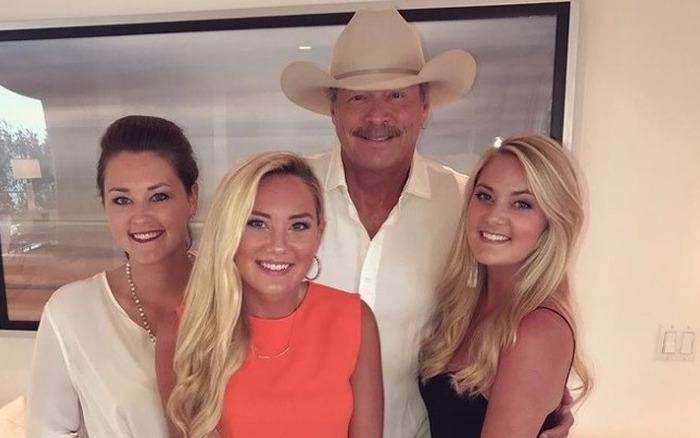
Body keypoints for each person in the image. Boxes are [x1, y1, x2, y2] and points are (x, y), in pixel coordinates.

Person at [280, 7, 574, 438]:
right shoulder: (283, 203)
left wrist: (540, 401)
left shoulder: (467, 206)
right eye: (358, 96)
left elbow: (517, 325)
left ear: (424, 105)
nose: (377, 115)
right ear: (333, 108)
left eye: (396, 95)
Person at [156, 151, 383, 438]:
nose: (278, 246)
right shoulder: (181, 331)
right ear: (229, 230)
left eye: (298, 226)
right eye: (257, 223)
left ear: (319, 232)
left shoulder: (354, 320)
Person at [26, 115, 199, 437]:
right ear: (105, 207)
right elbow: (45, 431)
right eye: (122, 200)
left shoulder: (235, 292)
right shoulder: (72, 312)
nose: (140, 217)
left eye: (159, 196)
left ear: (192, 198)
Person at [418, 134, 593, 437]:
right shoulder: (468, 305)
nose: (495, 217)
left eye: (522, 204)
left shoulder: (536, 330)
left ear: (552, 221)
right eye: (485, 196)